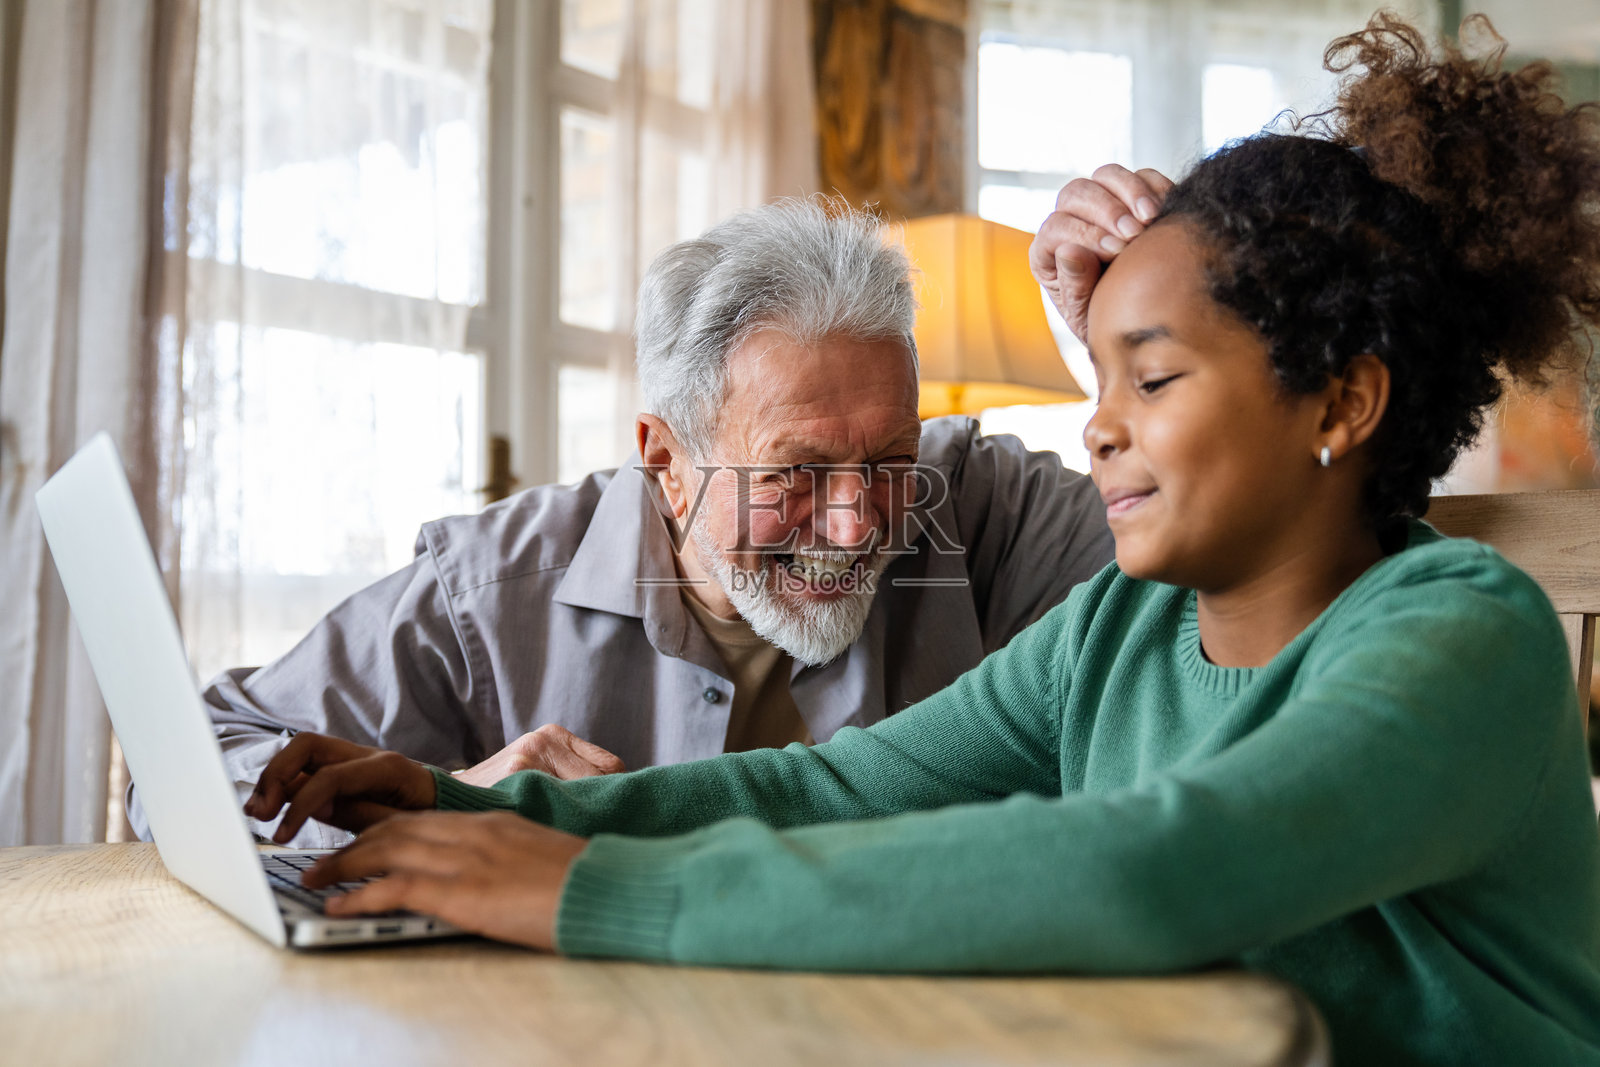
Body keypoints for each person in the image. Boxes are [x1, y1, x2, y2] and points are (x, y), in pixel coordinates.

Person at [246, 16, 1600, 1064]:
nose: (1096, 430)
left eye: (1151, 379)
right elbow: (827, 790)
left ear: (1343, 402)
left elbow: (1149, 866)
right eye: (1098, 379)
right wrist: (475, 806)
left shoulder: (1462, 631)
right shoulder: (1117, 633)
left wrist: (588, 888)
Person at [140, 199, 1113, 848]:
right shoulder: (489, 588)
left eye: (891, 461)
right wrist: (454, 799)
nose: (859, 523)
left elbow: (1229, 565)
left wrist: (1117, 338)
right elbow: (178, 768)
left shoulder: (984, 510)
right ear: (665, 463)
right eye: (797, 472)